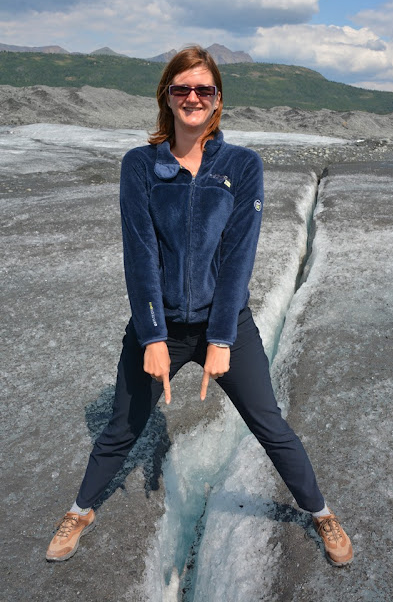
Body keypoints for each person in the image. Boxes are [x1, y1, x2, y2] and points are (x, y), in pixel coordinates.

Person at [46, 45, 353, 567]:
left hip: (224, 321)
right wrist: (152, 338)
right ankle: (80, 510)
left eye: (203, 90)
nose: (192, 97)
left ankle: (321, 513)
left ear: (217, 101)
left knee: (269, 424)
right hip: (159, 322)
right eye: (182, 88)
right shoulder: (141, 166)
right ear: (166, 96)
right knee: (122, 427)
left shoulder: (241, 165)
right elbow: (139, 254)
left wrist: (221, 339)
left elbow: (238, 258)